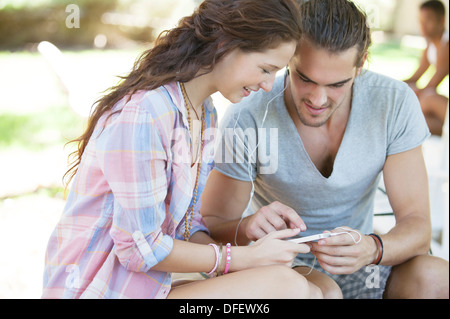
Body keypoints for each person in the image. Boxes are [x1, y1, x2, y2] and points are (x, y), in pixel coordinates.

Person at [41, 0, 317, 299]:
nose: (268, 85)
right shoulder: (144, 114)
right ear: (225, 43)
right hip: (99, 290)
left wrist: (249, 232)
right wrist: (243, 259)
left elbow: (186, 227)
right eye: (265, 69)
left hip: (145, 288)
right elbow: (139, 249)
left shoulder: (204, 112)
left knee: (316, 289)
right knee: (287, 288)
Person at [201, 0, 449, 299]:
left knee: (436, 277)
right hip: (284, 268)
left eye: (336, 84)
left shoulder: (393, 103)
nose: (317, 99)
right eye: (305, 78)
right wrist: (251, 225)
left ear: (361, 65)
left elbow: (418, 227)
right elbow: (212, 225)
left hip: (363, 261)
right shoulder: (248, 117)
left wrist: (373, 248)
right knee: (325, 293)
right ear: (288, 59)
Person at [404, 0, 449, 136]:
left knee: (428, 99)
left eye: (428, 20)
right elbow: (416, 77)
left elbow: (432, 86)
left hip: (433, 98)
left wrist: (412, 93)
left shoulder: (446, 46)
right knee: (418, 122)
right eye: (421, 20)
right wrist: (396, 86)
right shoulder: (430, 46)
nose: (422, 25)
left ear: (441, 21)